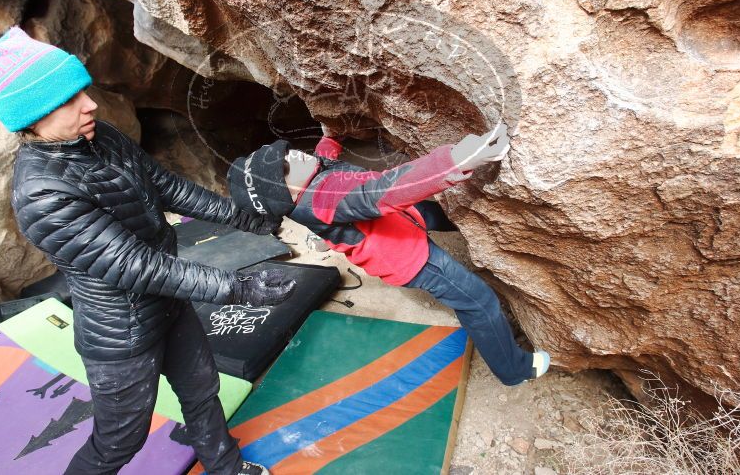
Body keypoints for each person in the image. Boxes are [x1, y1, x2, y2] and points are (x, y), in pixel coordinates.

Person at [0, 26, 295, 475]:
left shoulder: (99, 137)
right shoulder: (41, 195)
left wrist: (246, 218)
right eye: (68, 100)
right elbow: (136, 266)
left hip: (168, 303)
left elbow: (165, 186)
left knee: (202, 391)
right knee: (119, 443)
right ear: (30, 117)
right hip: (122, 335)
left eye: (82, 91)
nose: (89, 104)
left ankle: (227, 468)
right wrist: (240, 288)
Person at [227, 123, 550, 387]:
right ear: (287, 196)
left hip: (399, 223)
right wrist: (458, 160)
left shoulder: (307, 178)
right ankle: (514, 369)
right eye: (285, 167)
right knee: (478, 301)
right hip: (409, 257)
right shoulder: (325, 199)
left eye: (283, 152)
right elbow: (384, 190)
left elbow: (322, 159)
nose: (293, 155)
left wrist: (330, 138)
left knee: (451, 215)